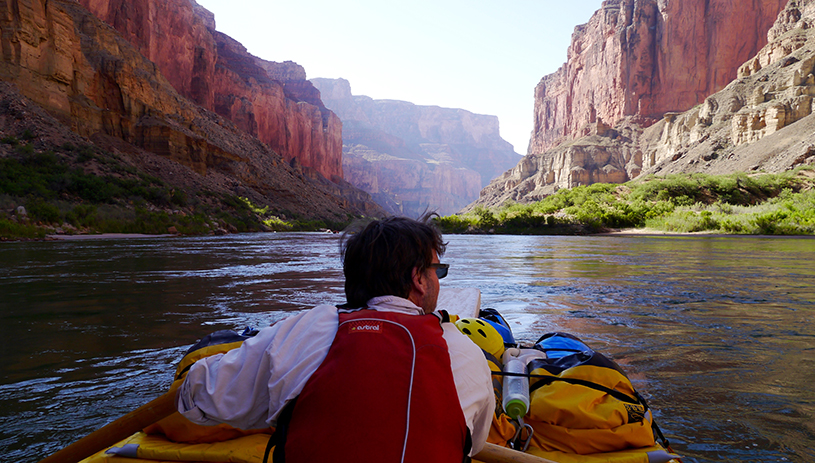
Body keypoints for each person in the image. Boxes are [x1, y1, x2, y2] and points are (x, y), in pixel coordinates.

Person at [176, 215, 495, 462]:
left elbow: (198, 396)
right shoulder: (465, 351)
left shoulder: (306, 329)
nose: (438, 283)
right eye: (438, 272)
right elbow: (474, 443)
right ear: (418, 280)